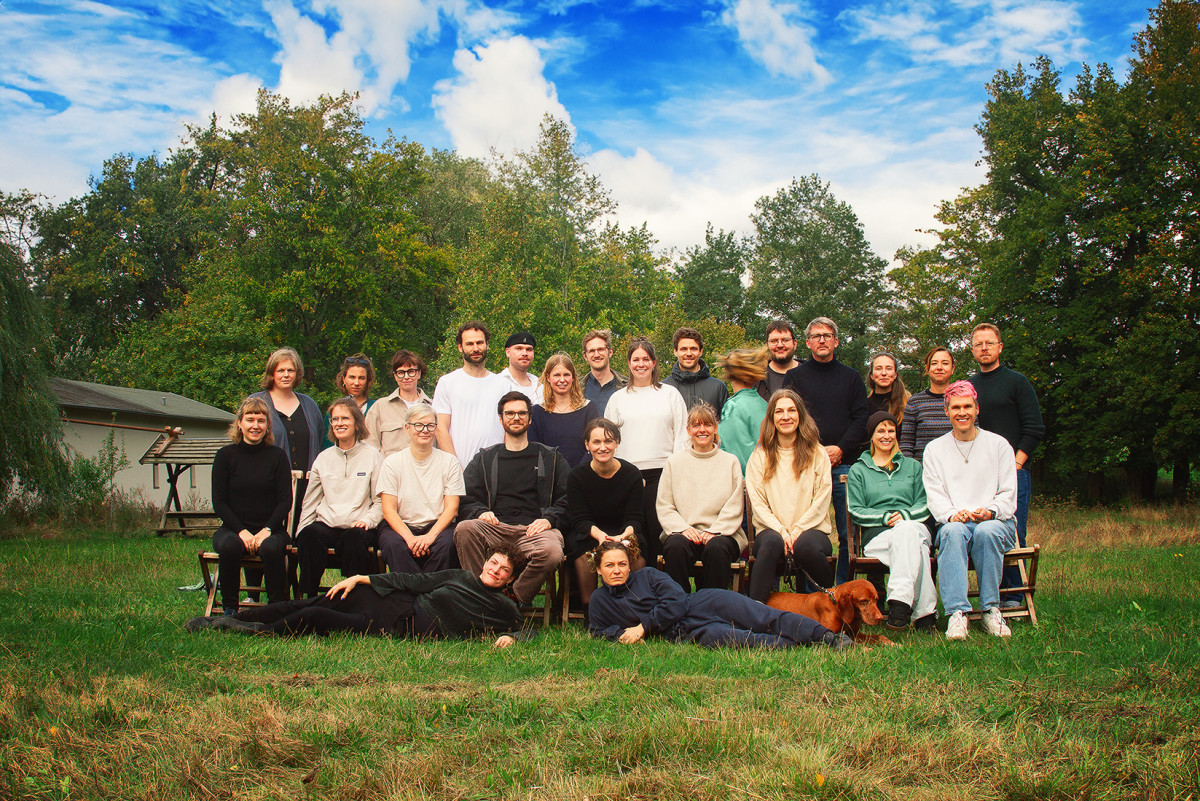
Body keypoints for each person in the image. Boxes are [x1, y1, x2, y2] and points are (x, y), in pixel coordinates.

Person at [186, 545, 529, 647]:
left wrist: (511, 639)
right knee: (310, 602)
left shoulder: (503, 609)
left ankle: (252, 630)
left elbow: (528, 630)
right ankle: (231, 618)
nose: (495, 572)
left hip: (396, 625)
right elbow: (411, 581)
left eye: (503, 572)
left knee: (317, 617)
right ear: (486, 561)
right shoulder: (459, 575)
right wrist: (363, 577)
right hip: (395, 600)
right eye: (493, 563)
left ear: (509, 580)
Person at [588, 541, 853, 649]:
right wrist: (623, 635)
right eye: (609, 566)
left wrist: (643, 626)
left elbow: (677, 600)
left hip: (703, 603)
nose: (617, 570)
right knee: (748, 640)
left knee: (764, 616)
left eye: (622, 564)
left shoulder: (647, 576)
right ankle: (799, 644)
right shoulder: (600, 601)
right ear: (599, 570)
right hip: (685, 632)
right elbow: (599, 630)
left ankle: (827, 637)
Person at [454, 392, 570, 604]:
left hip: (534, 530)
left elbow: (569, 498)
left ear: (530, 418)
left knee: (552, 552)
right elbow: (465, 496)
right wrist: (480, 512)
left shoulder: (551, 457)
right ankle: (477, 595)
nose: (516, 417)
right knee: (464, 529)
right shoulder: (484, 458)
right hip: (496, 528)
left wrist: (549, 519)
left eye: (521, 413)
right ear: (501, 419)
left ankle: (510, 599)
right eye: (510, 413)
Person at [922, 381, 1018, 640]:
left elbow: (1009, 494)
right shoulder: (935, 449)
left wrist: (989, 511)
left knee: (986, 532)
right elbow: (935, 495)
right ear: (946, 411)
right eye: (955, 407)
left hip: (997, 522)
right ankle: (957, 614)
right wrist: (952, 514)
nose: (962, 412)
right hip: (955, 522)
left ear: (977, 409)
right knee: (952, 532)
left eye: (967, 406)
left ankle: (990, 610)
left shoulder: (999, 445)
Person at [782, 317, 868, 585]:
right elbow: (788, 418)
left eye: (827, 335)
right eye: (816, 336)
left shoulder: (852, 377)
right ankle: (811, 591)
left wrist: (841, 448)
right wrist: (816, 451)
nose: (822, 340)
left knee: (847, 535)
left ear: (836, 341)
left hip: (843, 466)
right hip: (806, 463)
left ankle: (842, 589)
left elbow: (862, 419)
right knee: (806, 531)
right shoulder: (794, 377)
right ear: (807, 343)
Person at [968, 322, 1045, 607]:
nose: (984, 348)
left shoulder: (1016, 382)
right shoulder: (969, 387)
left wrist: (1017, 463)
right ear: (972, 350)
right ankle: (991, 593)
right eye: (979, 344)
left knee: (1012, 531)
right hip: (977, 474)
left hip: (1013, 472)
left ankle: (1012, 595)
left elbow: (1034, 427)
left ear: (1000, 347)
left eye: (989, 343)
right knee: (985, 530)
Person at [847, 411, 936, 631]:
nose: (886, 435)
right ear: (872, 435)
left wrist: (905, 516)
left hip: (914, 525)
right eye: (881, 430)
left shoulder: (913, 467)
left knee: (907, 531)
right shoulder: (858, 470)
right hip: (877, 536)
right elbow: (856, 510)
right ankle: (924, 613)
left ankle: (899, 602)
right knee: (919, 550)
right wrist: (885, 517)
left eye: (891, 430)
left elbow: (925, 503)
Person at [603, 339, 688, 561]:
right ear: (629, 364)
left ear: (654, 363)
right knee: (633, 536)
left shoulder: (670, 394)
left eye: (645, 359)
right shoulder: (618, 398)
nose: (641, 364)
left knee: (658, 532)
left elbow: (681, 434)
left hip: (663, 474)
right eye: (635, 359)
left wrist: (676, 471)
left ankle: (661, 584)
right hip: (627, 476)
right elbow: (608, 439)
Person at [745, 389, 834, 602]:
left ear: (800, 415)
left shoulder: (817, 453)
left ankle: (830, 603)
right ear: (771, 418)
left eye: (791, 410)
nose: (786, 416)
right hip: (771, 530)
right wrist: (783, 532)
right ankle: (756, 611)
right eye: (779, 412)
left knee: (806, 547)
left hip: (812, 529)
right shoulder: (760, 456)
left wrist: (798, 531)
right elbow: (758, 503)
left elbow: (822, 498)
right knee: (770, 544)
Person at [210, 397, 292, 615]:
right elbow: (219, 502)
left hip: (271, 529)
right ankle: (230, 608)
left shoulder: (278, 456)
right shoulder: (225, 456)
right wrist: (242, 532)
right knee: (229, 546)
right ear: (239, 423)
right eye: (250, 419)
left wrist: (266, 530)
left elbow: (285, 500)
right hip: (233, 529)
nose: (256, 425)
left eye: (261, 420)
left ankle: (277, 608)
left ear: (267, 426)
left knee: (272, 548)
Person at [295, 398, 384, 597]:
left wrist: (366, 521)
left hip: (359, 526)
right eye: (335, 419)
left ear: (357, 423)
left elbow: (380, 501)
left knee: (355, 537)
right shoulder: (323, 458)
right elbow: (311, 501)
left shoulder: (372, 456)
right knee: (309, 535)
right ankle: (308, 600)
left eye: (345, 418)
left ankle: (353, 599)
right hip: (327, 525)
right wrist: (301, 530)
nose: (339, 423)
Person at [657, 404, 745, 592]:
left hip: (723, 533)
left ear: (716, 428)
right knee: (675, 547)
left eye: (707, 424)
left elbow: (735, 504)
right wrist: (682, 528)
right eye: (696, 425)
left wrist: (716, 530)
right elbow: (665, 504)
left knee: (716, 549)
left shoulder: (730, 462)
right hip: (685, 532)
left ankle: (711, 609)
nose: (702, 430)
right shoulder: (675, 462)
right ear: (688, 430)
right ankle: (678, 607)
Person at [565, 418, 645, 610]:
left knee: (638, 553)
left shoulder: (632, 474)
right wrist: (601, 536)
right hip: (590, 532)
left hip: (623, 530)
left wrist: (623, 535)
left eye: (608, 441)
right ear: (587, 445)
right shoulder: (576, 476)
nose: (603, 447)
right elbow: (579, 519)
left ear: (617, 442)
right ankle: (591, 608)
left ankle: (630, 606)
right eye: (597, 442)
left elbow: (635, 517)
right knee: (583, 553)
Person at [376, 404, 464, 575]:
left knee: (448, 545)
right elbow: (388, 510)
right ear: (407, 428)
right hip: (401, 525)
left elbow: (452, 509)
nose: (425, 430)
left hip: (438, 526)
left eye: (430, 425)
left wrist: (429, 537)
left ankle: (426, 594)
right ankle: (414, 595)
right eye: (419, 425)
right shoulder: (392, 463)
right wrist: (409, 538)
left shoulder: (450, 462)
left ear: (436, 429)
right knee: (393, 545)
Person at [250, 347, 323, 534]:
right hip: (269, 487)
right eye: (280, 370)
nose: (286, 375)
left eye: (290, 370)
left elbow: (320, 442)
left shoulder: (309, 405)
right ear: (272, 373)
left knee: (301, 539)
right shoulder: (257, 402)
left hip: (306, 489)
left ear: (297, 373)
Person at [433, 321, 506, 469]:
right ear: (460, 347)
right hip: (459, 469)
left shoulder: (503, 384)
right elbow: (441, 429)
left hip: (497, 469)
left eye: (480, 343)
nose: (475, 348)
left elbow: (509, 427)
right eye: (469, 344)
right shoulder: (447, 382)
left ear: (487, 344)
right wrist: (456, 469)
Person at [529, 352, 601, 467]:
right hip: (550, 478)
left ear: (573, 378)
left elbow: (596, 443)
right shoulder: (537, 412)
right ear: (548, 378)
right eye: (557, 375)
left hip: (583, 476)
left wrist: (577, 474)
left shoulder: (588, 408)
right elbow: (535, 450)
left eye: (566, 375)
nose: (562, 380)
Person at [365, 349, 433, 456]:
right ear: (395, 376)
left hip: (426, 470)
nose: (406, 377)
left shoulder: (433, 407)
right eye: (401, 372)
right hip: (391, 471)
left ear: (418, 373)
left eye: (411, 372)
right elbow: (369, 448)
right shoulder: (380, 407)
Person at [717, 347, 769, 474]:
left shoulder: (732, 406)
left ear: (729, 374)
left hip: (745, 482)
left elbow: (735, 451)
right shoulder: (765, 404)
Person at [899, 347, 956, 462]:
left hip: (957, 470)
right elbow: (906, 444)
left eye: (945, 363)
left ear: (952, 368)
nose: (939, 367)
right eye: (934, 363)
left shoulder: (962, 401)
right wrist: (913, 470)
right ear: (927, 369)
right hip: (923, 472)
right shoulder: (915, 402)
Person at [662, 327, 729, 416]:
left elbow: (726, 424)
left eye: (693, 349)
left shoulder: (718, 388)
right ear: (675, 351)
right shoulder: (664, 388)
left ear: (700, 351)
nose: (689, 354)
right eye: (683, 349)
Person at [322, 353, 376, 449]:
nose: (356, 383)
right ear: (344, 379)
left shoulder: (376, 408)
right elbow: (328, 447)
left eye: (361, 378)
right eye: (352, 377)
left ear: (368, 381)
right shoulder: (334, 412)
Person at [581, 329, 627, 414]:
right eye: (591, 351)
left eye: (601, 349)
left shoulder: (628, 386)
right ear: (585, 356)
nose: (596, 355)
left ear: (610, 352)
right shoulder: (576, 387)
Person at [755, 319, 799, 401]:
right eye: (774, 341)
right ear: (767, 345)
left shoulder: (809, 374)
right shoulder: (756, 377)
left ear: (795, 343)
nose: (779, 345)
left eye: (785, 340)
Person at [866, 352, 910, 424]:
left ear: (895, 375)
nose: (884, 373)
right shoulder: (864, 406)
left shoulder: (907, 404)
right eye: (878, 368)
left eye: (889, 368)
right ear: (871, 375)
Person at [499, 331, 541, 406]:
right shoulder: (498, 383)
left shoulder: (539, 385)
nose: (524, 353)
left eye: (529, 349)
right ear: (507, 352)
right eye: (519, 349)